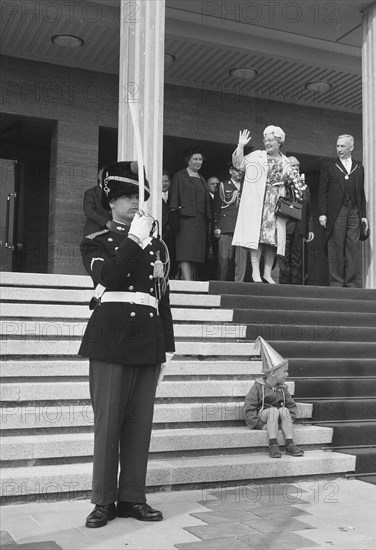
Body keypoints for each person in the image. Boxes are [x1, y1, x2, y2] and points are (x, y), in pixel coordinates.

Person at [78, 161, 175, 528]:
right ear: (112, 203)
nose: (136, 202)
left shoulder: (159, 247)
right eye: (127, 197)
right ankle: (103, 501)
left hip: (147, 343)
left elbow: (162, 297)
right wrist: (134, 239)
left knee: (139, 423)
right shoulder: (97, 242)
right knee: (109, 424)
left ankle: (133, 496)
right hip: (111, 341)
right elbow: (109, 276)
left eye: (138, 196)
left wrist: (167, 345)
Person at [231, 127, 291, 284]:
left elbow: (293, 182)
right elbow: (239, 165)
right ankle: (255, 273)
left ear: (279, 142)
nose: (267, 143)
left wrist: (285, 182)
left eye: (270, 140)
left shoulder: (286, 161)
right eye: (265, 140)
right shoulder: (257, 156)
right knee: (256, 238)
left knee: (272, 240)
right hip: (259, 203)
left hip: (276, 204)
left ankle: (267, 273)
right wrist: (240, 146)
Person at [318, 134, 368, 287]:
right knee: (336, 246)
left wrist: (364, 216)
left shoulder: (359, 167)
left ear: (351, 147)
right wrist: (322, 213)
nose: (339, 149)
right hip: (337, 212)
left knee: (352, 247)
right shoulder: (330, 166)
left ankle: (351, 283)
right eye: (338, 146)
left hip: (354, 211)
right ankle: (336, 282)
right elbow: (323, 192)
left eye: (342, 146)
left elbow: (361, 192)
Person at [243, 337, 304, 458]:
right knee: (272, 411)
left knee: (284, 410)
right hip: (265, 415)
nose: (287, 374)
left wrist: (287, 422)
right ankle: (273, 444)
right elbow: (248, 408)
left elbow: (291, 406)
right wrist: (259, 425)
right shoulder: (258, 388)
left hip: (278, 417)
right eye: (284, 371)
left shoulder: (283, 388)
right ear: (273, 373)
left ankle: (290, 444)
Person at [169, 146, 211, 281]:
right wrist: (173, 216)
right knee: (185, 251)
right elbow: (174, 198)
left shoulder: (203, 179)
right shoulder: (180, 176)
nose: (198, 162)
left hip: (200, 220)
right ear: (188, 161)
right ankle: (187, 281)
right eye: (195, 159)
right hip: (185, 220)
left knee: (196, 253)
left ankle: (191, 279)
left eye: (200, 159)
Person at [278, 156, 314, 285]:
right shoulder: (283, 183)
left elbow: (308, 209)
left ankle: (295, 285)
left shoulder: (304, 186)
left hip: (300, 225)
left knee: (296, 258)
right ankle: (284, 285)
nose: (296, 168)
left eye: (297, 166)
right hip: (285, 224)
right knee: (283, 257)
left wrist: (310, 229)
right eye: (293, 165)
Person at [212, 164, 248, 281]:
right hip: (226, 227)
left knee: (241, 261)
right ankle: (222, 285)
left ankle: (238, 286)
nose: (239, 173)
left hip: (242, 228)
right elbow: (216, 208)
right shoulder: (223, 186)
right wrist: (216, 226)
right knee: (224, 260)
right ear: (231, 171)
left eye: (242, 171)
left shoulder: (246, 187)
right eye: (237, 171)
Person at [201, 176, 221, 280]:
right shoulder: (204, 196)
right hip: (206, 229)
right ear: (207, 185)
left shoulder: (221, 196)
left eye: (217, 184)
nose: (215, 186)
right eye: (212, 184)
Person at [83, 165, 111, 237]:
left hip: (113, 232)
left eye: (108, 175)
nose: (105, 177)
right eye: (103, 174)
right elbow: (89, 212)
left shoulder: (116, 193)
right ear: (99, 176)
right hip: (94, 231)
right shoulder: (90, 193)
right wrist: (106, 222)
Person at [161, 170, 178, 280]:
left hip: (172, 232)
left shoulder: (174, 196)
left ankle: (171, 275)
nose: (164, 183)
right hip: (160, 230)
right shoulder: (152, 196)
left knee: (172, 254)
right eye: (161, 181)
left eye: (166, 181)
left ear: (170, 182)